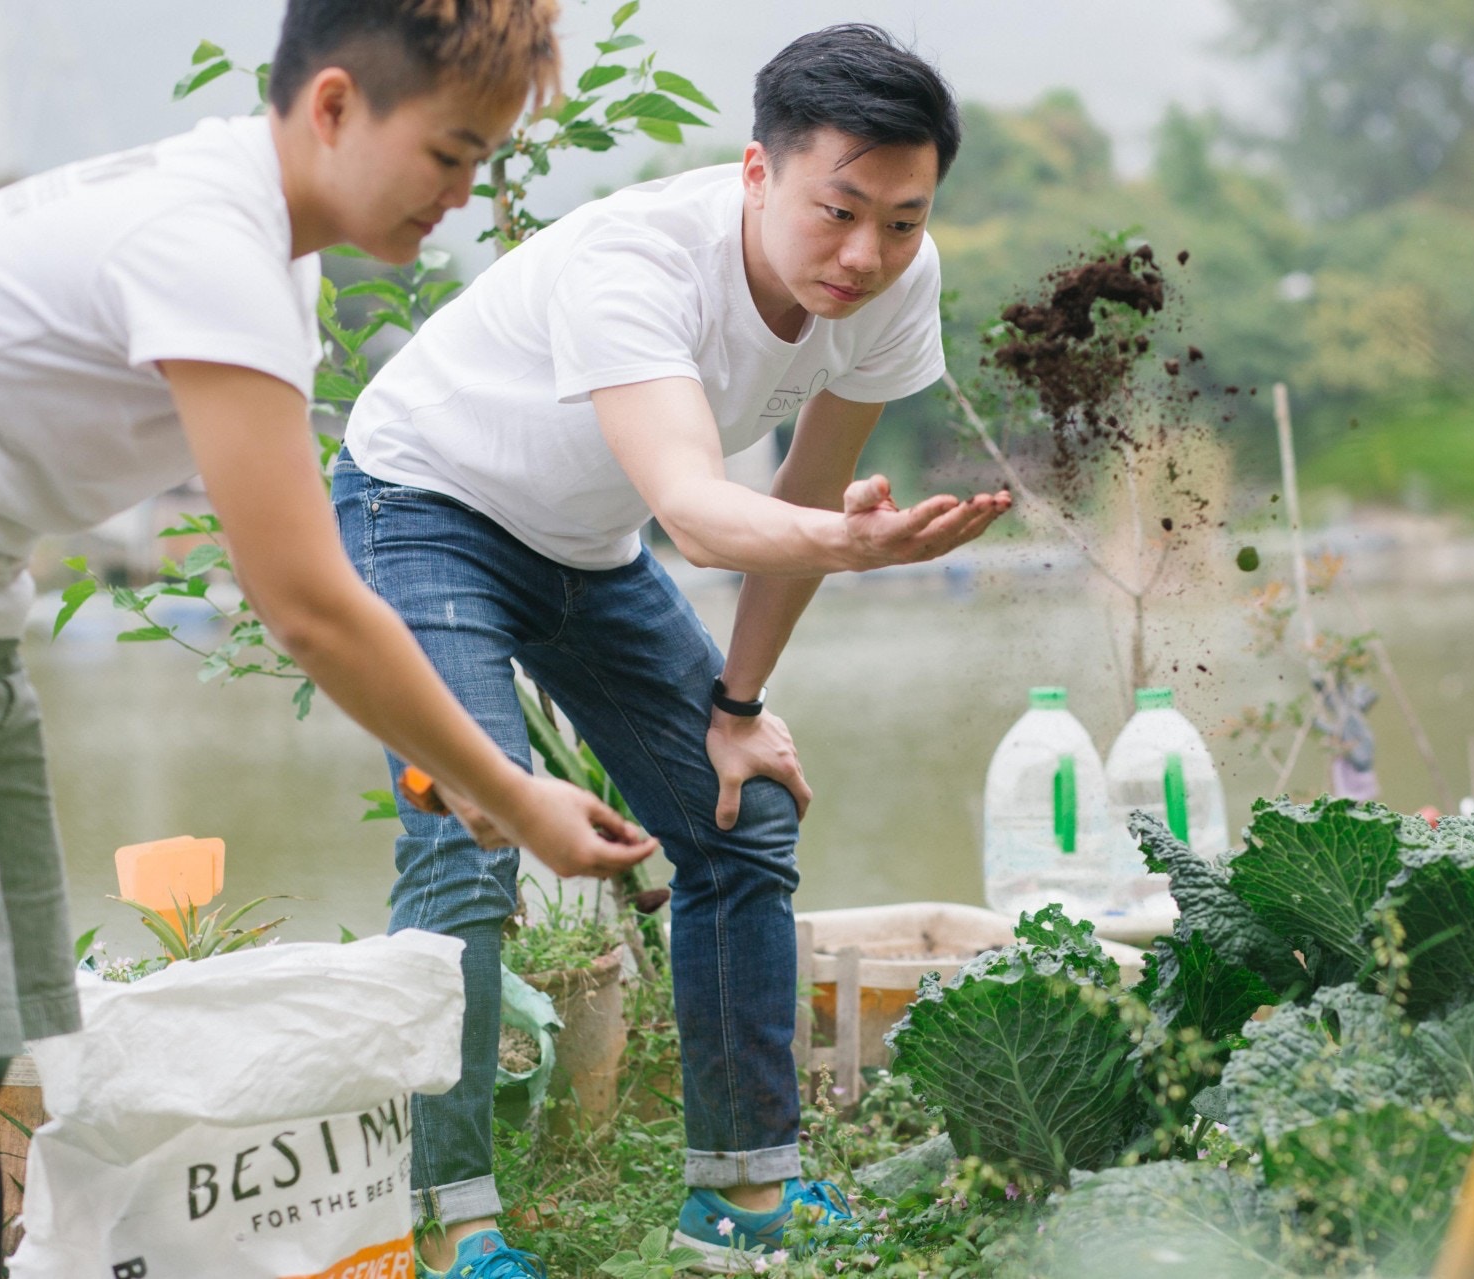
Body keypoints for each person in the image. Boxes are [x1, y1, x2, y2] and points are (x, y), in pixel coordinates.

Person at [0, 4, 655, 1276]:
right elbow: (305, 600)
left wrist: (470, 770)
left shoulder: (259, 244)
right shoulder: (211, 245)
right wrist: (510, 789)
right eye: (450, 154)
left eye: (481, 162)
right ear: (335, 105)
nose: (460, 196)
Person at [336, 23, 1006, 1275]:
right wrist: (852, 543)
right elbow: (700, 513)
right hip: (422, 504)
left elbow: (808, 496)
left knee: (741, 811)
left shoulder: (893, 284)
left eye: (903, 221)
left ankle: (740, 1201)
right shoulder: (638, 261)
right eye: (838, 212)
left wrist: (739, 705)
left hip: (582, 545)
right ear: (758, 173)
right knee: (470, 830)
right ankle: (450, 1226)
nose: (865, 255)